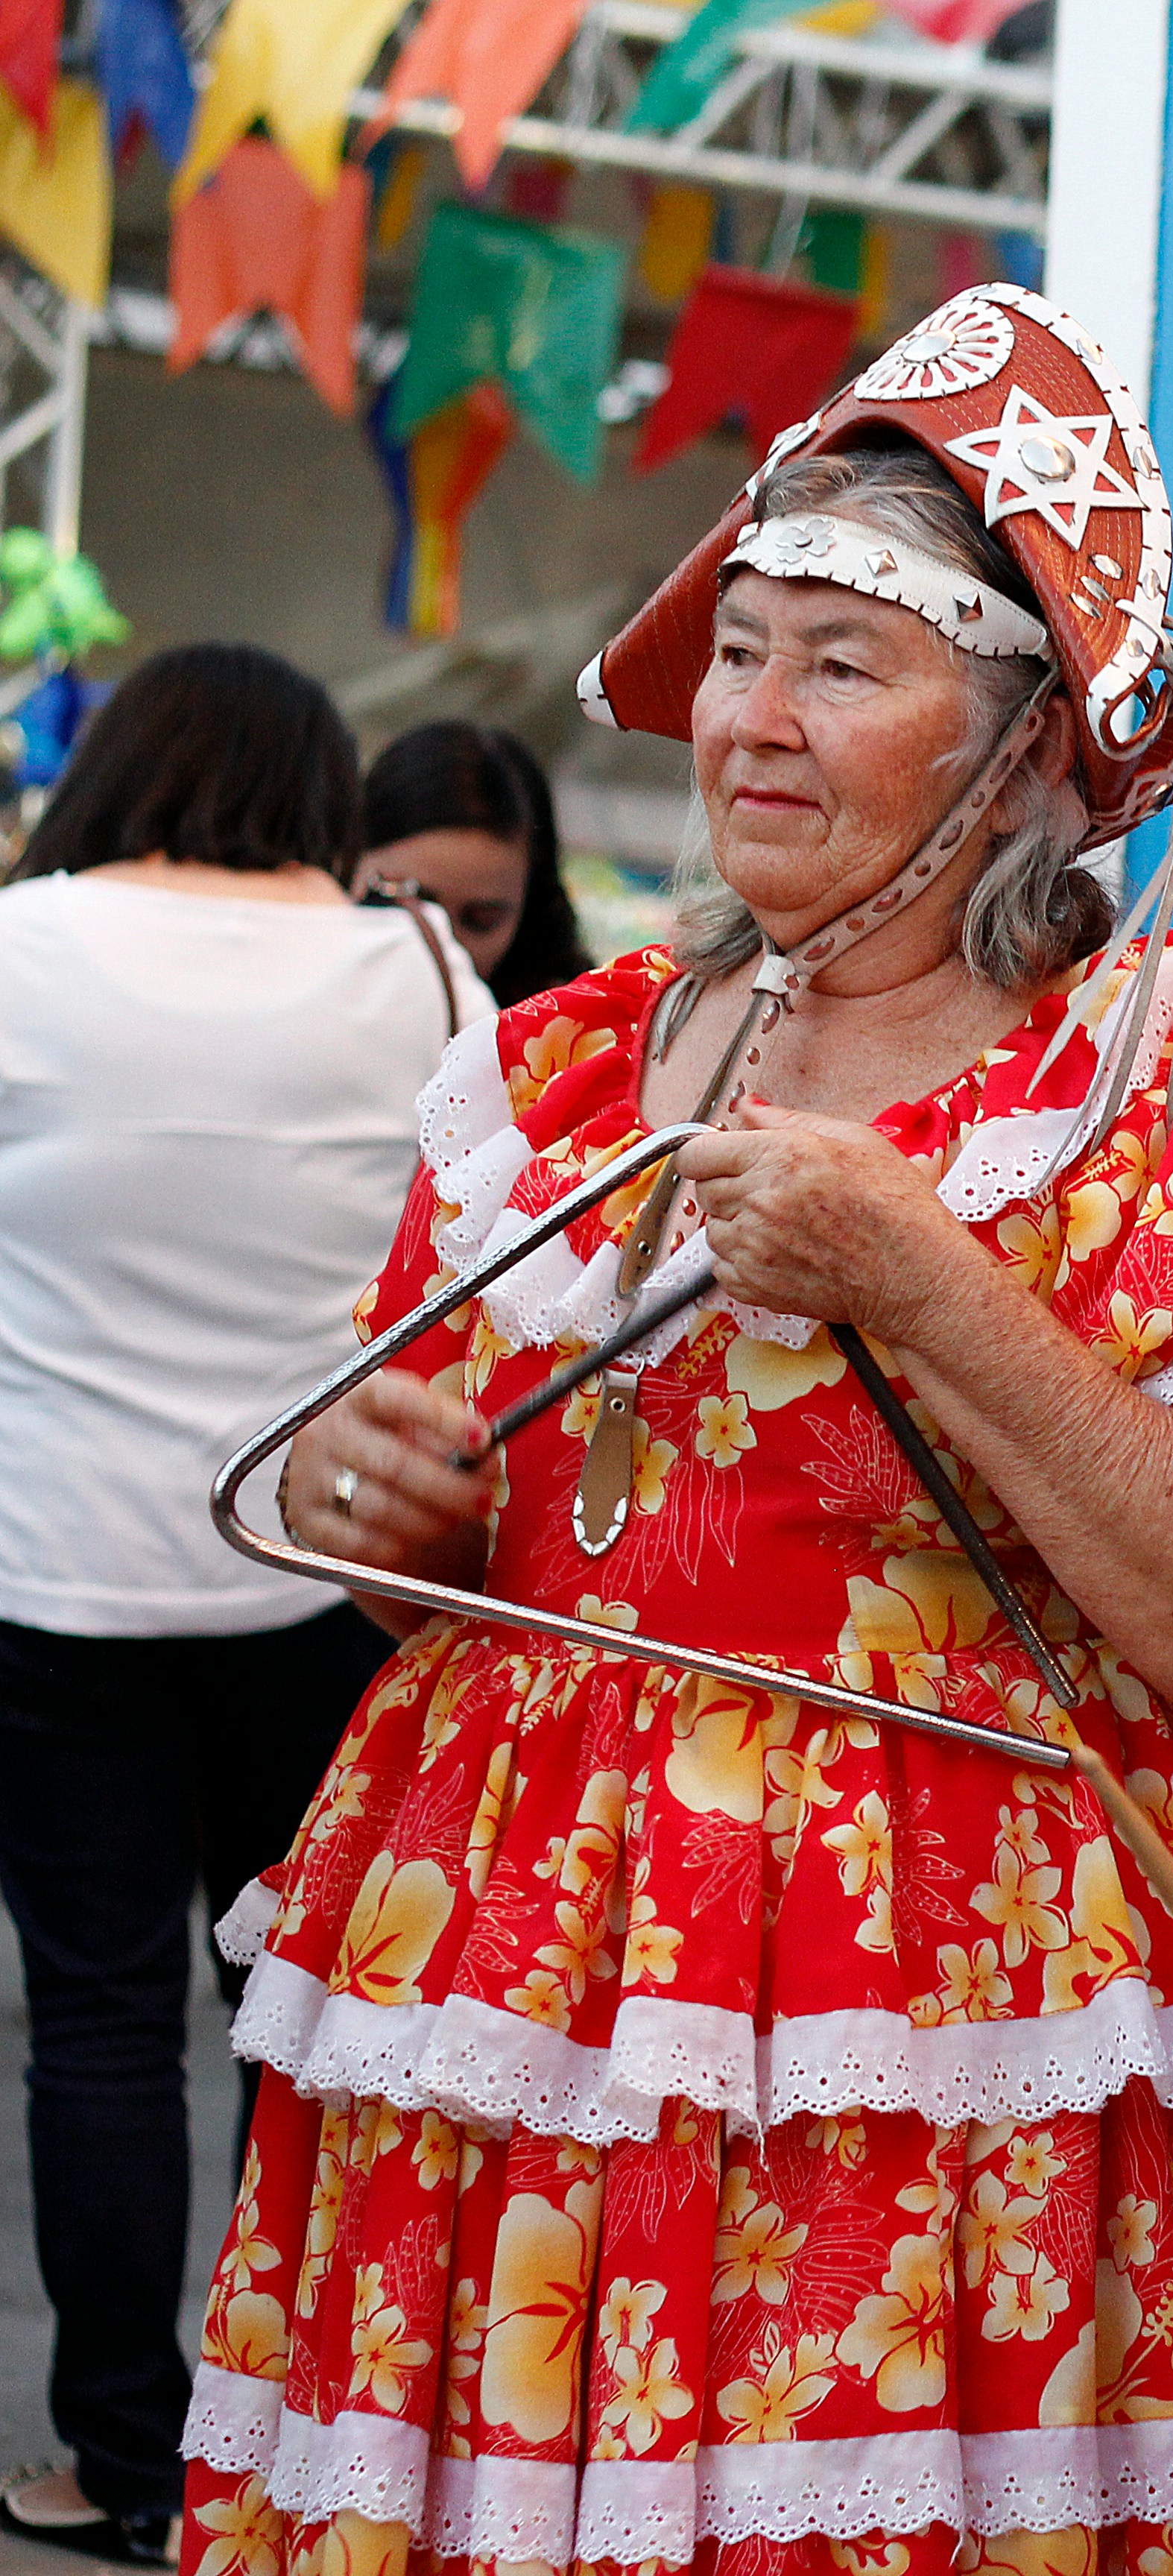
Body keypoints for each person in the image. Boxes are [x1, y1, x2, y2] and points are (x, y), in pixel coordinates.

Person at [183, 289, 1173, 2576]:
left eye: (843, 665)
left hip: (941, 2040)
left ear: (1036, 748)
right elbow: (416, 1505)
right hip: (512, 2015)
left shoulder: (1164, 1083)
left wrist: (924, 1278)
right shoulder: (547, 1069)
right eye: (743, 647)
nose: (751, 719)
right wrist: (374, 1500)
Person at [0, 643, 483, 2566]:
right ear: (319, 785)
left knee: (101, 2027)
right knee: (302, 2018)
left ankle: (118, 2457)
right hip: (324, 1571)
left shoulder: (18, 945)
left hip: (53, 1571)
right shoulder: (426, 972)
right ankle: (296, 2449)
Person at [359, 719, 594, 1010]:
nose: (444, 948)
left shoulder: (565, 1037)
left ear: (530, 911)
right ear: (348, 865)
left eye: (481, 920)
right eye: (408, 904)